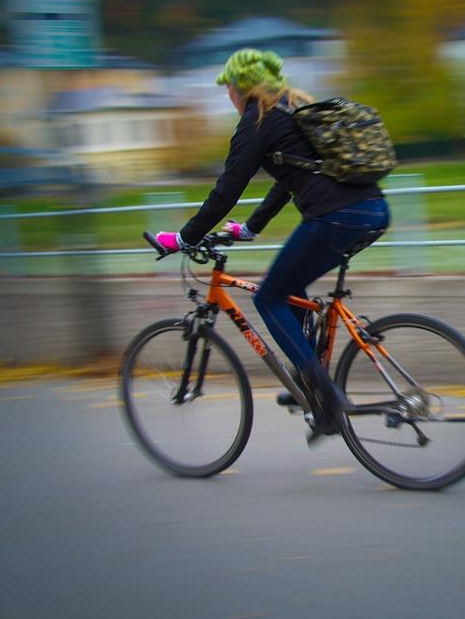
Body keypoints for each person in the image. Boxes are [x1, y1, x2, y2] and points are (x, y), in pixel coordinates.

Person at [155, 48, 391, 443]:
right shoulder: (291, 110)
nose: (228, 96)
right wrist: (249, 229)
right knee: (290, 287)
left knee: (268, 298)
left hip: (335, 217)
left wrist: (185, 237)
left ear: (239, 88)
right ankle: (311, 378)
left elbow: (227, 188)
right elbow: (288, 180)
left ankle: (326, 399)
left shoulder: (257, 120)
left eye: (228, 88)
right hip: (372, 210)